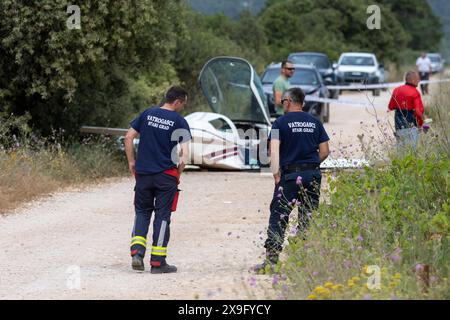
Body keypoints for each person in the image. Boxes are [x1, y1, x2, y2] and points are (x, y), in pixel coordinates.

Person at [257, 87, 330, 272]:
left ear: (288, 101)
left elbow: (273, 151)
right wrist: (311, 165)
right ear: (302, 103)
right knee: (308, 217)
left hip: (289, 176)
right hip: (312, 174)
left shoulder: (280, 123)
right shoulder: (316, 122)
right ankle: (304, 261)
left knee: (279, 216)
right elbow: (325, 151)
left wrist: (276, 173)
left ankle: (271, 262)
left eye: (283, 102)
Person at [124, 86, 191, 274]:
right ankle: (157, 263)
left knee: (142, 212)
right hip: (166, 176)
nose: (182, 108)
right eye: (182, 104)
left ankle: (137, 253)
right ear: (177, 101)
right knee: (162, 216)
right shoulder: (179, 121)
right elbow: (184, 155)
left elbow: (128, 137)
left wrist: (131, 162)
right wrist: (178, 173)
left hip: (143, 174)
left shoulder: (147, 113)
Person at [388, 71, 424, 150]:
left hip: (398, 124)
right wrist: (421, 124)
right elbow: (418, 112)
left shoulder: (396, 90)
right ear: (413, 80)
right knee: (412, 149)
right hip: (411, 124)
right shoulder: (415, 92)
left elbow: (390, 107)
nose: (419, 81)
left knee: (401, 148)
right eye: (418, 79)